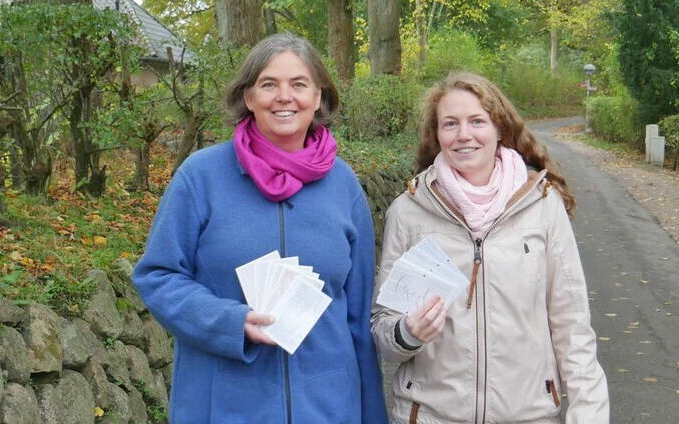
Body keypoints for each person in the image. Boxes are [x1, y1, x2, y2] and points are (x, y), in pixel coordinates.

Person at [133, 33, 388, 424]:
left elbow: (358, 315)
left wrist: (371, 414)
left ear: (318, 97)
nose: (284, 97)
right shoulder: (201, 176)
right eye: (269, 84)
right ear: (248, 97)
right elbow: (158, 276)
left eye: (298, 84)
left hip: (328, 406)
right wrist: (228, 322)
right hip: (223, 406)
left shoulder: (344, 185)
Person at [371, 72, 609, 424]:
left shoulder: (543, 206)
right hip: (431, 416)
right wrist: (407, 332)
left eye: (477, 121)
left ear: (499, 128)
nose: (463, 134)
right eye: (450, 123)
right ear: (437, 135)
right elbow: (383, 329)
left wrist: (588, 415)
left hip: (529, 416)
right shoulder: (408, 212)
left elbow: (572, 328)